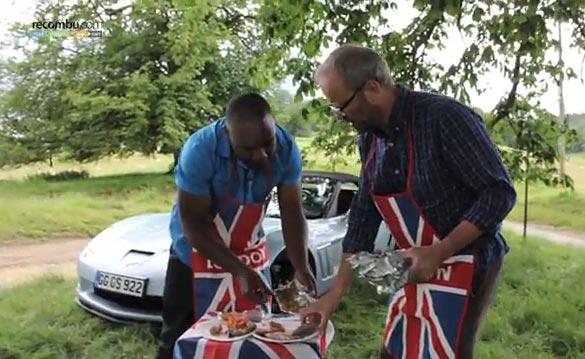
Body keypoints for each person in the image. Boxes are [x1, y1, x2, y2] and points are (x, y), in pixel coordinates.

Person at [301, 45, 517, 359]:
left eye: (340, 105)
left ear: (372, 89)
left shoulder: (445, 118)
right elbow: (363, 215)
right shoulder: (370, 139)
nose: (339, 116)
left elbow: (499, 193)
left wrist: (440, 251)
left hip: (466, 260)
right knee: (395, 349)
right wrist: (331, 297)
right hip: (412, 264)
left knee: (443, 351)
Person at [156, 93, 316, 359]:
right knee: (179, 339)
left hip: (250, 252)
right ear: (229, 136)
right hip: (194, 256)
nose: (263, 155)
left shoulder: (287, 149)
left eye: (268, 143)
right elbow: (193, 224)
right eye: (249, 149)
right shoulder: (199, 150)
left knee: (255, 334)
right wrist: (239, 270)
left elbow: (292, 211)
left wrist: (300, 264)